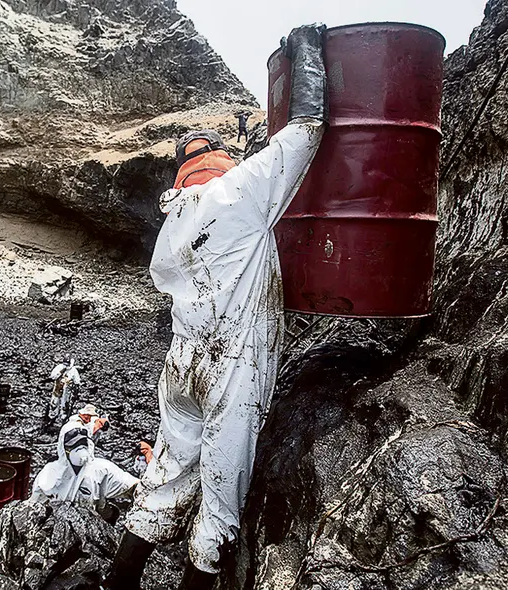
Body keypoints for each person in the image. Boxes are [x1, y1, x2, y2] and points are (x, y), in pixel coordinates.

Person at [104, 24, 328, 590]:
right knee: (220, 498)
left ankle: (119, 581)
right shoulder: (242, 192)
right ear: (224, 163)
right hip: (231, 363)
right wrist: (306, 50)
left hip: (181, 366)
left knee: (166, 479)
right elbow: (307, 131)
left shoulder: (173, 220)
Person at [33, 423, 138, 512]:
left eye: (83, 444)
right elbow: (33, 507)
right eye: (74, 445)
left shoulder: (102, 470)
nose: (79, 449)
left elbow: (134, 487)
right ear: (63, 449)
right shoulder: (49, 475)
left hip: (90, 524)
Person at [47, 359, 82, 425]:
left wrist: (75, 392)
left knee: (65, 404)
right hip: (57, 388)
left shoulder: (73, 370)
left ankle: (63, 418)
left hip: (66, 391)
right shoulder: (59, 367)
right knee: (54, 402)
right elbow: (53, 377)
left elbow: (77, 382)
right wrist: (60, 372)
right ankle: (52, 417)